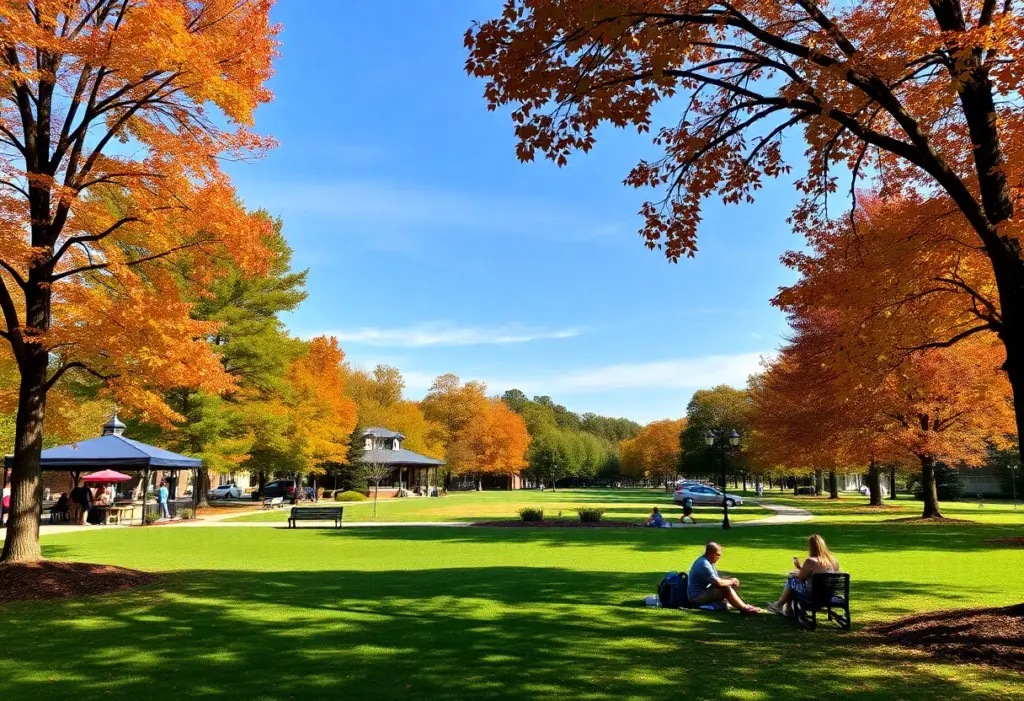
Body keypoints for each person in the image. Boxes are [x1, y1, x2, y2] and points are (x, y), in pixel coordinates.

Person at [767, 534, 840, 616]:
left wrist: (796, 573)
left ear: (811, 547)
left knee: (791, 580)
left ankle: (780, 605)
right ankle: (787, 608)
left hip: (813, 596)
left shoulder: (810, 561)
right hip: (829, 595)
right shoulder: (833, 560)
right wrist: (800, 568)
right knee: (793, 580)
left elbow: (801, 578)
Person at [687, 542, 763, 614]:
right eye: (718, 555)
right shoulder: (704, 564)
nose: (719, 557)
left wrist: (730, 581)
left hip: (703, 591)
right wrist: (732, 581)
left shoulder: (708, 561)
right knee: (726, 588)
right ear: (711, 553)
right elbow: (718, 582)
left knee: (727, 583)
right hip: (697, 597)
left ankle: (736, 604)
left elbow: (716, 580)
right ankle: (745, 609)